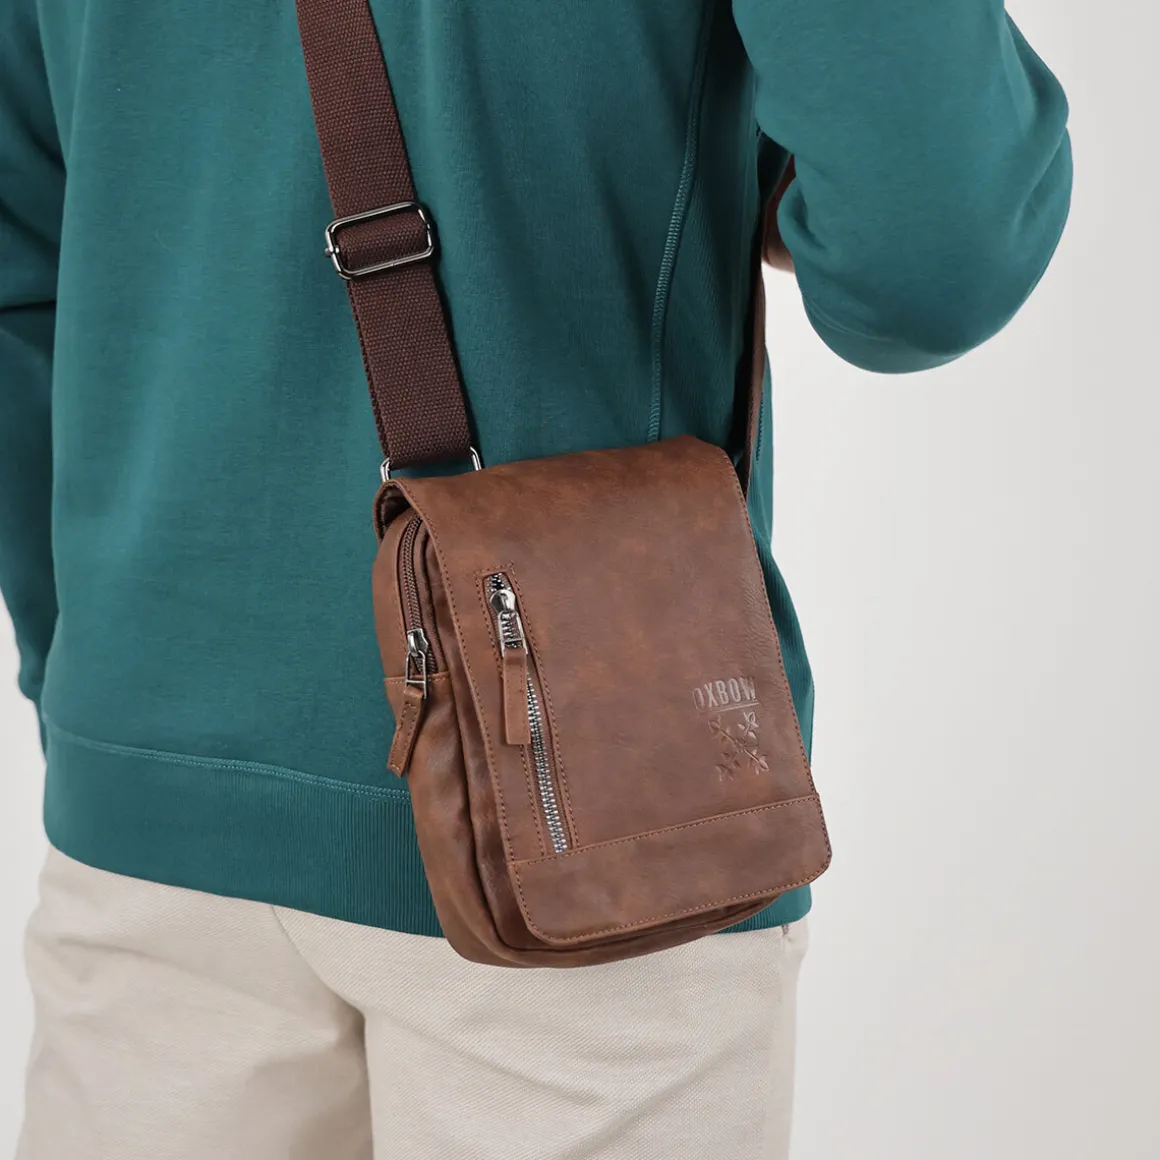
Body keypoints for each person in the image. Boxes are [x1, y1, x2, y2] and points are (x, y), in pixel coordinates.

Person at [0, 1, 1071, 1157]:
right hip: (588, 820)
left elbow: (20, 276)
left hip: (147, 826)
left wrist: (102, 699)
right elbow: (934, 252)